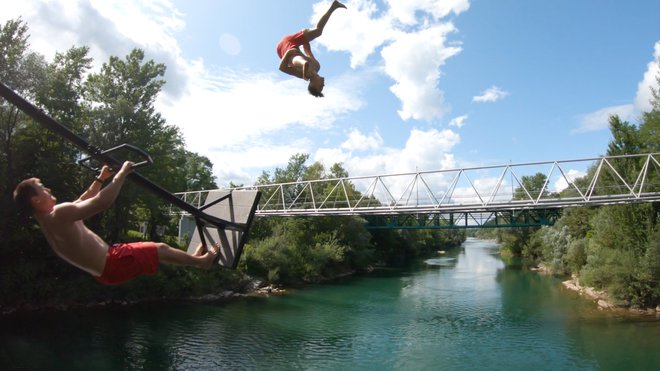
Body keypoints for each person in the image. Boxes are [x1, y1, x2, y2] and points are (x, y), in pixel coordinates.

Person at [13, 161, 219, 285]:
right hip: (112, 263)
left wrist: (101, 179)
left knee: (158, 253)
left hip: (105, 269)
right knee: (160, 249)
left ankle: (195, 260)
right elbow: (102, 202)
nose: (48, 189)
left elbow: (83, 199)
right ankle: (202, 262)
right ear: (36, 200)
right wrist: (122, 173)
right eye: (43, 188)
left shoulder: (49, 222)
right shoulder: (58, 214)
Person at [276, 0, 346, 97]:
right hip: (293, 43)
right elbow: (307, 50)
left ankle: (294, 55)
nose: (324, 85)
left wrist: (288, 53)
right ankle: (334, 6)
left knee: (296, 59)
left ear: (312, 84)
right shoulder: (317, 66)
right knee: (318, 31)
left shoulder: (302, 75)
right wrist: (304, 36)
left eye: (321, 87)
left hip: (283, 49)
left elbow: (282, 68)